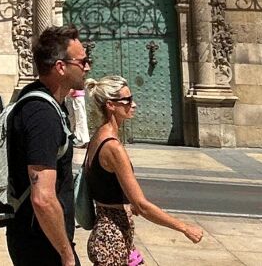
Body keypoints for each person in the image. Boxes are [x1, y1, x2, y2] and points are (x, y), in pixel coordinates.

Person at [82, 76, 204, 264]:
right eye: (127, 100)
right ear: (110, 105)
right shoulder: (113, 147)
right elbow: (142, 205)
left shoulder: (98, 136)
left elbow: (103, 184)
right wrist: (184, 228)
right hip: (112, 240)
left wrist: (127, 206)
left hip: (110, 235)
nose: (134, 104)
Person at [6, 25, 89, 266]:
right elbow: (42, 198)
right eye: (82, 62)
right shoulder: (42, 115)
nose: (87, 67)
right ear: (61, 67)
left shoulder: (43, 100)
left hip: (39, 237)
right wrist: (66, 255)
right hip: (41, 244)